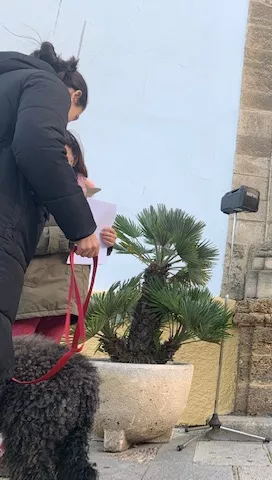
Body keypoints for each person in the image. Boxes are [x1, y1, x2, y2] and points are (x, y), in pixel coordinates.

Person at [0, 42, 100, 385]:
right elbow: (37, 147)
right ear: (73, 94)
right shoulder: (46, 86)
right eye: (71, 118)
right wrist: (81, 226)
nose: (66, 126)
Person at [12, 130, 117, 342]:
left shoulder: (87, 196)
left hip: (67, 296)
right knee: (16, 362)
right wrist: (70, 237)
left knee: (48, 366)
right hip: (30, 295)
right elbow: (17, 238)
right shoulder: (24, 191)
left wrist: (105, 241)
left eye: (64, 153)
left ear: (75, 157)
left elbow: (89, 246)